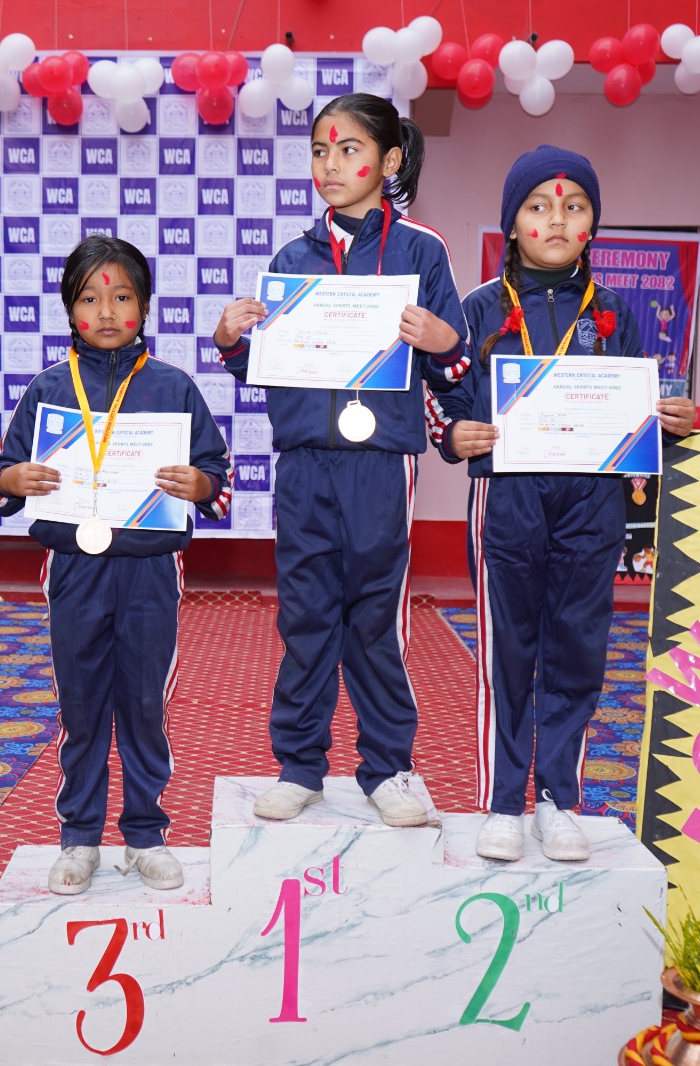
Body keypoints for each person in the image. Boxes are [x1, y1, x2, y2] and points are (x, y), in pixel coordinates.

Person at [212, 93, 469, 828]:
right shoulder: (293, 258)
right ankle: (300, 766)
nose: (330, 164)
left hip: (380, 465)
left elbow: (456, 372)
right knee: (306, 617)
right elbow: (266, 368)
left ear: (389, 161)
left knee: (375, 621)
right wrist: (232, 342)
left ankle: (388, 767)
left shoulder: (421, 250)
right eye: (320, 150)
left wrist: (445, 342)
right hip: (305, 465)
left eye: (349, 149)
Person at [433, 145, 695, 863]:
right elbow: (446, 400)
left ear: (592, 226)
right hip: (508, 498)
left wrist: (669, 422)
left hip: (592, 502)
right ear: (512, 222)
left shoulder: (613, 312)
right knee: (508, 651)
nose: (555, 220)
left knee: (577, 648)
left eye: (573, 207)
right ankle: (501, 803)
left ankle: (558, 800)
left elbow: (638, 414)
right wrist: (453, 434)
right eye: (538, 206)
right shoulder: (479, 310)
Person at [0, 236, 232, 895]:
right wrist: (12, 476)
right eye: (90, 298)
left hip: (150, 572)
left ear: (145, 306)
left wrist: (200, 484)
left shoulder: (173, 386)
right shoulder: (47, 389)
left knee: (145, 705)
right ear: (70, 308)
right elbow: (0, 485)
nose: (106, 311)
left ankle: (146, 834)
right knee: (82, 705)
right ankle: (80, 837)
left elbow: (218, 480)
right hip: (74, 569)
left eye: (122, 296)